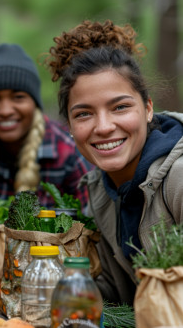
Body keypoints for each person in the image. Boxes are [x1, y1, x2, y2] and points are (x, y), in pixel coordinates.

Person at [46, 20, 183, 305]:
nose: (104, 127)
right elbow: (119, 293)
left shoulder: (178, 180)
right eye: (84, 114)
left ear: (147, 109)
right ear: (69, 126)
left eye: (120, 107)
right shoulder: (99, 192)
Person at [0, 43, 91, 208]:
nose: (5, 111)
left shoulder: (68, 153)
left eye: (18, 97)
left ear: (35, 103)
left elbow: (89, 226)